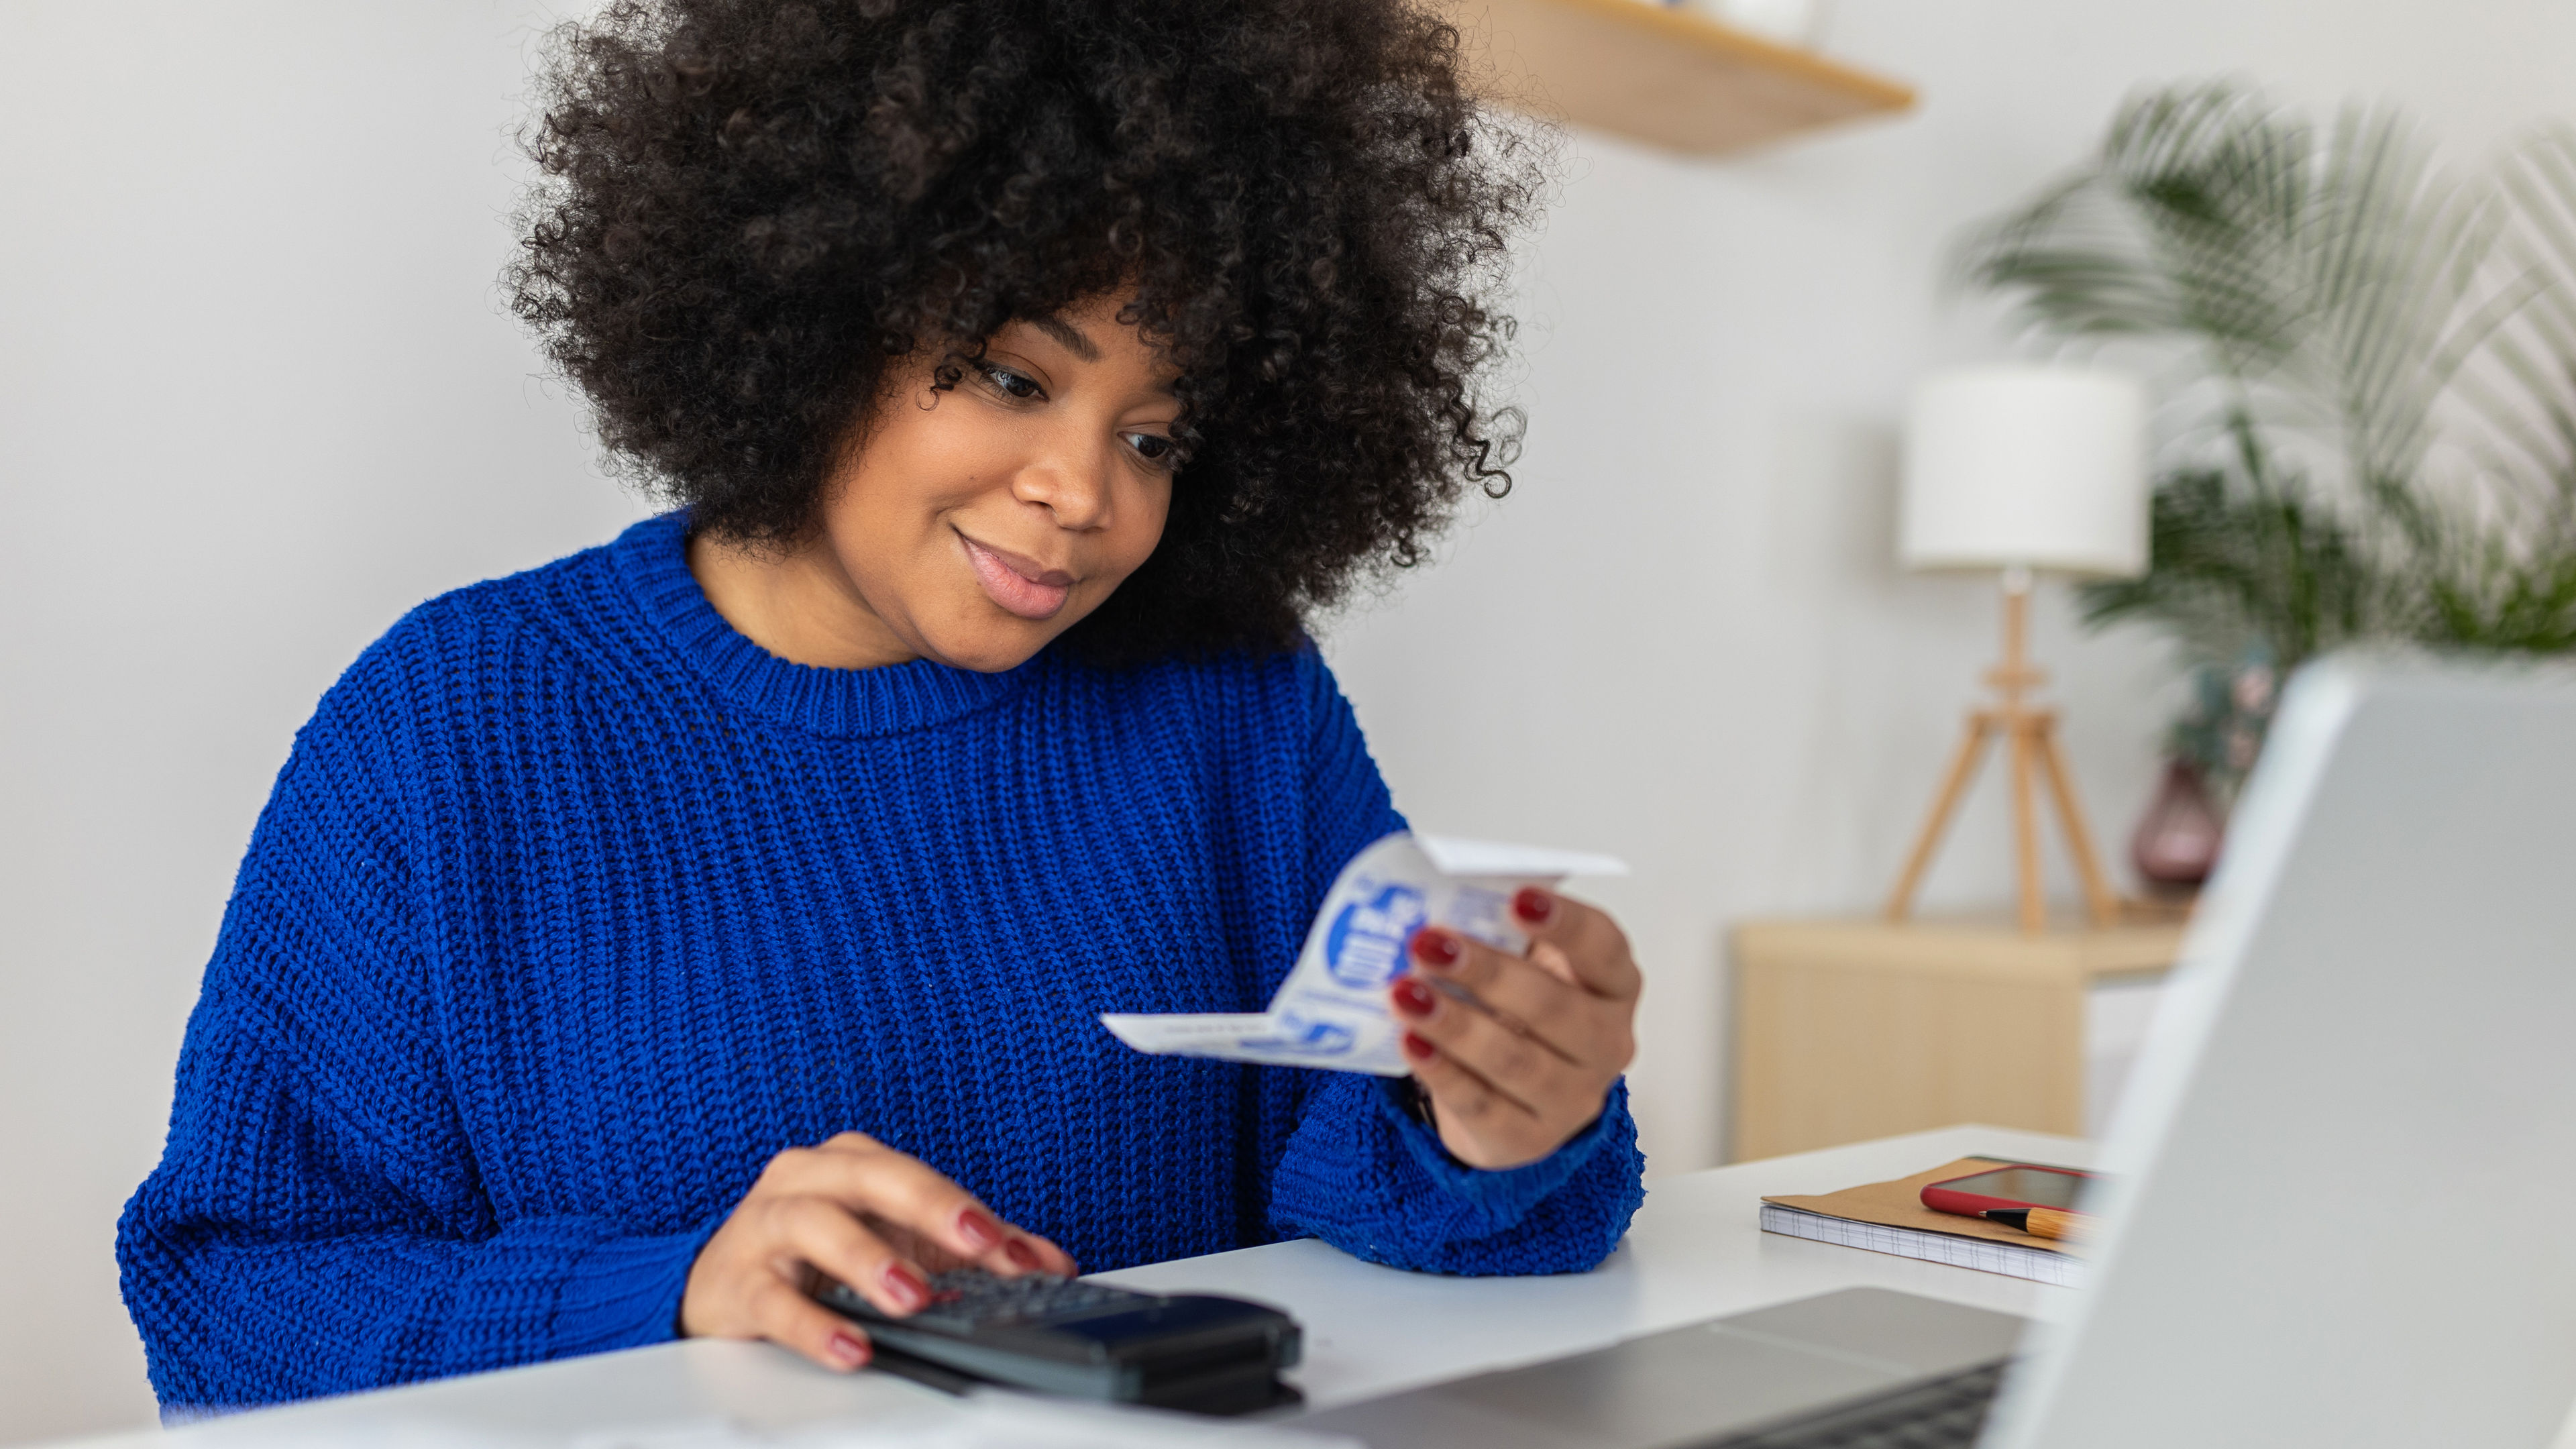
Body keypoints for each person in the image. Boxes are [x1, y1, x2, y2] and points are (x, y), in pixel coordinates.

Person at [116, 0, 1647, 1413]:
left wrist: (1495, 1128)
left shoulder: (1232, 697)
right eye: (1010, 376)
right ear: (821, 309)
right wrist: (670, 1289)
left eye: (1160, 437)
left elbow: (1397, 1215)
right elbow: (231, 1297)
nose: (1084, 496)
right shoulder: (453, 724)